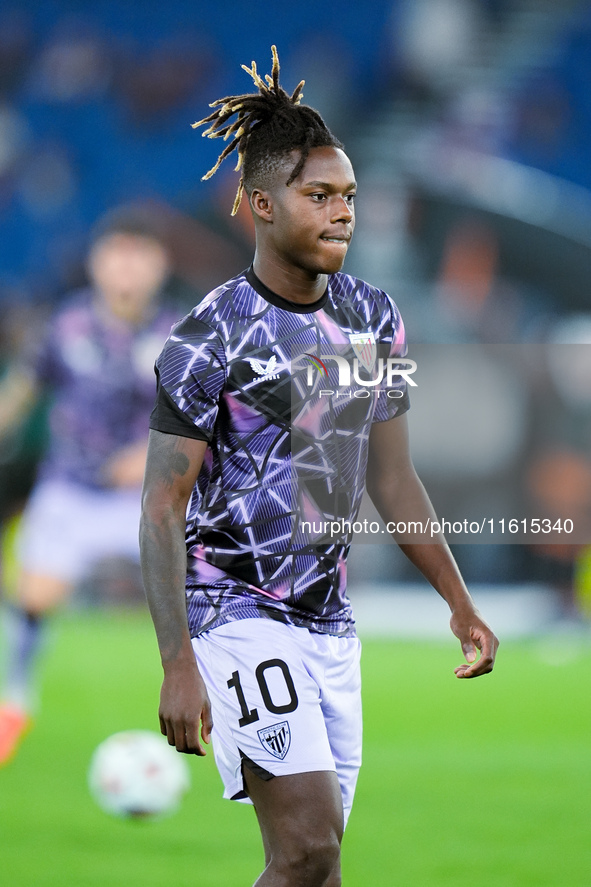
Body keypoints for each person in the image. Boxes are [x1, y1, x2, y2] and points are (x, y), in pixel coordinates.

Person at [140, 47, 499, 887]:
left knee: (315, 869)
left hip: (328, 627)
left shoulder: (372, 316)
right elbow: (163, 502)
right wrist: (178, 659)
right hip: (234, 614)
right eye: (319, 196)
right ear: (262, 206)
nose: (342, 213)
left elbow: (392, 480)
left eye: (348, 198)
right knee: (307, 850)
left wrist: (459, 602)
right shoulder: (208, 335)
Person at [0, 206, 181, 765]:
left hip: (149, 497)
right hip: (71, 488)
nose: (126, 268)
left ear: (160, 265)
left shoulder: (180, 333)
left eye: (138, 256)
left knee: (200, 596)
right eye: (116, 254)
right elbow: (24, 388)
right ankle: (15, 702)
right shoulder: (66, 324)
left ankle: (220, 701)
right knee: (33, 598)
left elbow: (210, 415)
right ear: (97, 263)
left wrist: (154, 453)